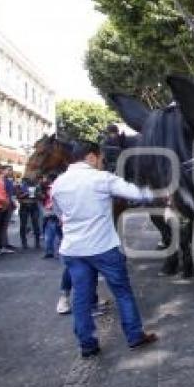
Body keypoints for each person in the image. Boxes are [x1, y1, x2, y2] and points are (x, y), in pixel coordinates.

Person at [51, 140, 158, 357]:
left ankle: (87, 345)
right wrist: (160, 193)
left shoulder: (58, 183)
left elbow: (59, 215)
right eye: (100, 158)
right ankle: (135, 336)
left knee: (81, 298)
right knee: (123, 293)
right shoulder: (101, 178)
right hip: (103, 248)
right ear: (91, 157)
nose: (101, 163)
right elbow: (136, 193)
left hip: (73, 250)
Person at [17, 177, 42, 249]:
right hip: (24, 206)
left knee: (36, 224)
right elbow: (18, 197)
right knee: (23, 225)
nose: (30, 181)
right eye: (28, 180)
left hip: (34, 205)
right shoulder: (20, 186)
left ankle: (37, 242)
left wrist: (37, 194)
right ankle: (24, 242)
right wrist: (26, 193)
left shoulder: (37, 187)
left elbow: (41, 197)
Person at [0, 165, 17, 250]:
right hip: (2, 205)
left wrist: (12, 202)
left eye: (11, 170)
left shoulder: (9, 181)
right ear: (2, 170)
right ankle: (1, 244)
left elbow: (10, 194)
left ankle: (5, 243)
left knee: (5, 226)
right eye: (9, 170)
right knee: (1, 225)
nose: (11, 172)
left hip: (9, 204)